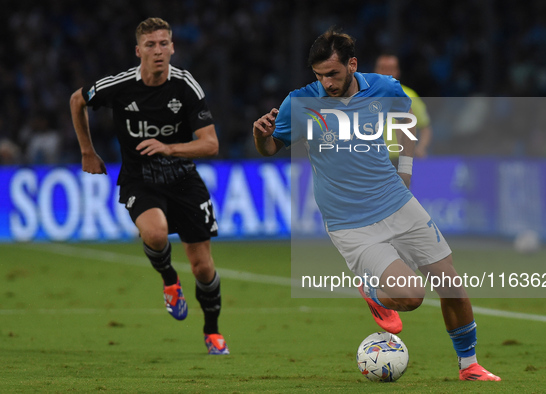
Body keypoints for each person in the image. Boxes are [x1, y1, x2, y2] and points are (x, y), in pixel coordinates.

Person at [253, 28, 500, 381]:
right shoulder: (301, 102)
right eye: (319, 75)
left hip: (397, 202)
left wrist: (406, 169)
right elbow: (271, 147)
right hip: (350, 222)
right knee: (411, 296)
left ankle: (469, 366)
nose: (326, 83)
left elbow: (407, 120)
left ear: (352, 64)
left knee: (452, 285)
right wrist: (260, 137)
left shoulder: (384, 88)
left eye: (333, 74)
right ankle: (371, 290)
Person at [70, 17, 228, 355]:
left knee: (202, 267)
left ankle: (212, 331)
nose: (158, 51)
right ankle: (170, 280)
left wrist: (169, 147)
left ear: (172, 47)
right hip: (140, 179)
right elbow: (76, 100)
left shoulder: (186, 86)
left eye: (164, 44)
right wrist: (87, 151)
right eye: (151, 45)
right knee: (155, 233)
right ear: (138, 50)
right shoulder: (120, 85)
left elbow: (210, 144)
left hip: (184, 180)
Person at [374, 54, 433, 164]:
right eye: (383, 68)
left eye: (390, 69)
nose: (386, 73)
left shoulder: (409, 96)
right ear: (375, 71)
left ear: (397, 71)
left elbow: (425, 127)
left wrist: (421, 147)